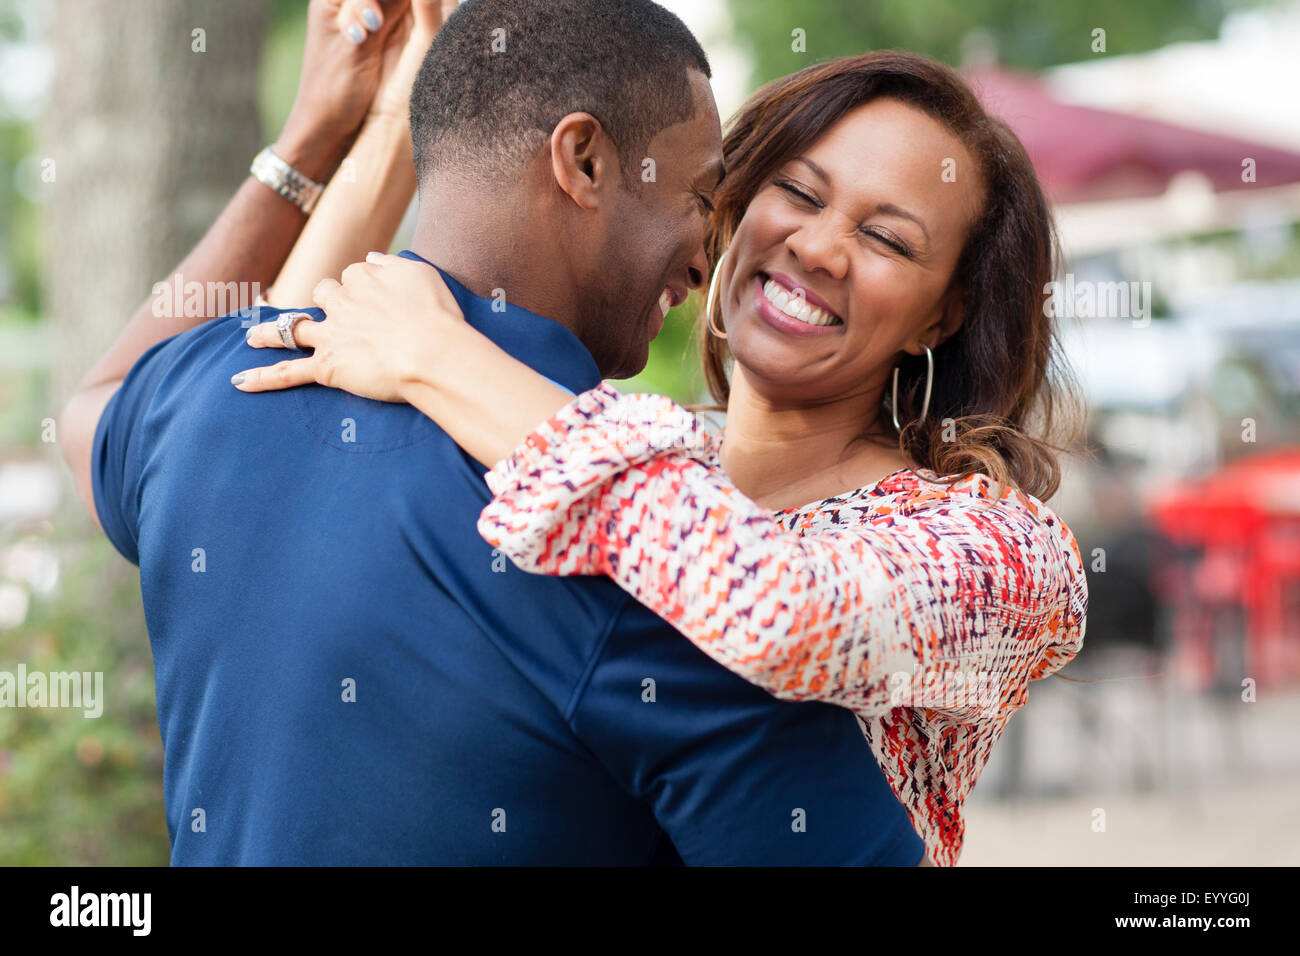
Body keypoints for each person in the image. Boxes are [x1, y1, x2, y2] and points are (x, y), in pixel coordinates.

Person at [59, 0, 928, 865]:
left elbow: (92, 405)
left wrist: (313, 138)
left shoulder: (212, 387)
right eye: (700, 195)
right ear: (584, 160)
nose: (707, 258)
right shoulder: (656, 547)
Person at [233, 47, 1092, 866]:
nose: (820, 248)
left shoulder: (1000, 549)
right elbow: (283, 366)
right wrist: (388, 123)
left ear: (942, 316)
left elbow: (784, 616)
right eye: (798, 191)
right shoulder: (618, 439)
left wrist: (438, 354)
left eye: (890, 241)